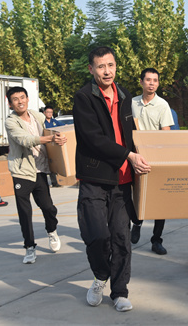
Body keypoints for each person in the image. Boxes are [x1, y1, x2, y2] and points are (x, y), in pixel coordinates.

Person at [73, 46, 150, 313]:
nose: (107, 71)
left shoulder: (124, 95)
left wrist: (142, 154)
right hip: (94, 176)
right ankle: (100, 275)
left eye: (111, 65)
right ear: (91, 69)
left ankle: (120, 292)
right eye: (101, 66)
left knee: (121, 239)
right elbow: (92, 138)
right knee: (96, 235)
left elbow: (130, 132)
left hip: (122, 180)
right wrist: (128, 155)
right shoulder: (84, 97)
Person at [5, 87, 67, 264]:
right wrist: (51, 139)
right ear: (10, 104)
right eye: (15, 99)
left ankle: (52, 231)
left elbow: (52, 132)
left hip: (41, 170)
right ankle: (29, 247)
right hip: (22, 171)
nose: (20, 101)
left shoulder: (37, 116)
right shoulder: (11, 122)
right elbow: (24, 140)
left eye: (22, 97)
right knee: (25, 212)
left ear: (27, 99)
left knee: (48, 208)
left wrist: (60, 138)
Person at [130, 68, 175, 255]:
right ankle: (137, 222)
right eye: (148, 80)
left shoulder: (163, 105)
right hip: (136, 157)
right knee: (136, 195)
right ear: (141, 82)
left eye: (155, 80)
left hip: (156, 158)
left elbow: (166, 134)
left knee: (160, 200)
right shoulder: (132, 103)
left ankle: (157, 240)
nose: (152, 83)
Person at [43, 105, 65, 187]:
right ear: (44, 113)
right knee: (45, 164)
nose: (49, 114)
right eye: (48, 112)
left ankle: (54, 182)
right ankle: (44, 183)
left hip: (53, 147)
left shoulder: (54, 122)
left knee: (53, 163)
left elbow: (64, 126)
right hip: (44, 146)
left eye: (51, 112)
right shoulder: (42, 122)